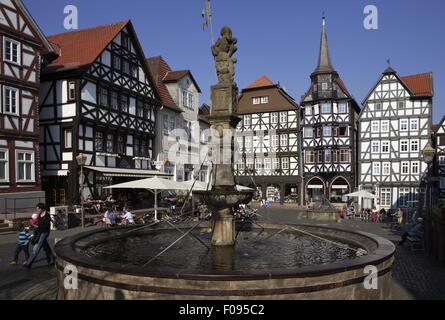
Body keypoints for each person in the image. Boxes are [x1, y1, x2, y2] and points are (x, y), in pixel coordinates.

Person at [24, 203, 55, 269]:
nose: (37, 210)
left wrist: (36, 226)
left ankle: (29, 263)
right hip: (39, 233)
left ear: (42, 209)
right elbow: (38, 224)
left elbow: (46, 226)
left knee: (36, 248)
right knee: (46, 247)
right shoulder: (39, 215)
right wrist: (34, 227)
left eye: (38, 208)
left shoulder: (47, 215)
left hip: (44, 233)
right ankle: (51, 260)